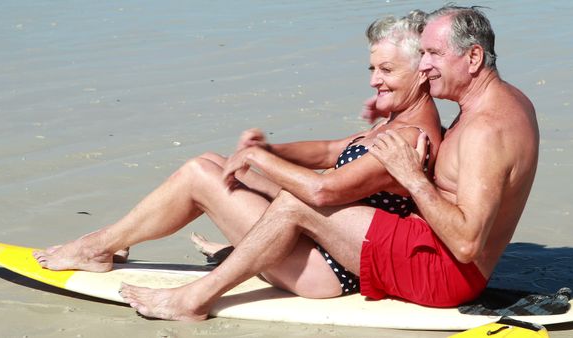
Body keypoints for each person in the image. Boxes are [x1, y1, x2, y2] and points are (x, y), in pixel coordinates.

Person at [114, 5, 538, 320]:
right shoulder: (503, 102)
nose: (426, 67)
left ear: (474, 58)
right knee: (241, 176)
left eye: (433, 56)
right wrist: (388, 117)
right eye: (422, 55)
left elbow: (466, 243)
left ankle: (195, 299)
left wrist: (412, 177)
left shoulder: (486, 129)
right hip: (428, 248)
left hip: (444, 275)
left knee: (296, 202)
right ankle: (215, 256)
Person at [34, 9, 442, 309]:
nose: (374, 79)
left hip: (326, 270)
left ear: (422, 71)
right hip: (317, 244)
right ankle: (110, 241)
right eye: (372, 67)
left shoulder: (408, 136)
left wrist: (256, 159)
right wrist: (267, 150)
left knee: (200, 174)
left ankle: (97, 246)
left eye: (387, 69)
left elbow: (323, 189)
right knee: (214, 160)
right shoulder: (395, 122)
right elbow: (331, 150)